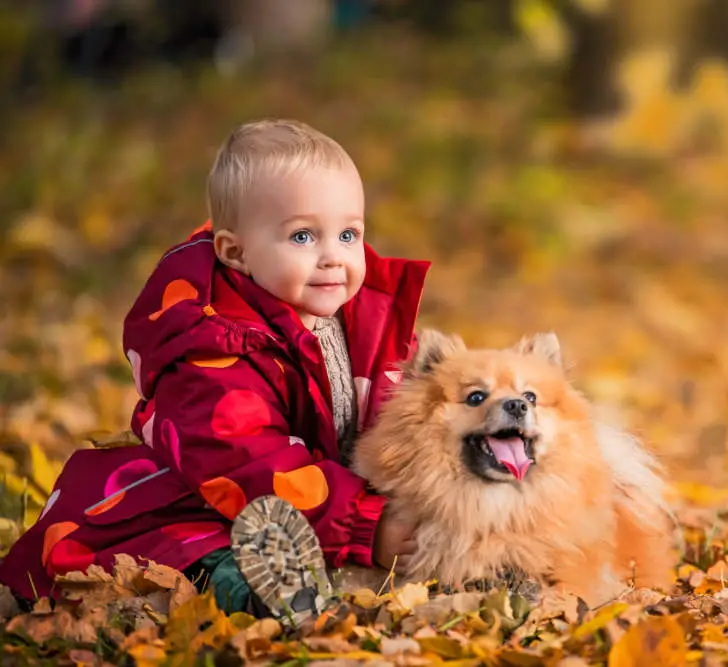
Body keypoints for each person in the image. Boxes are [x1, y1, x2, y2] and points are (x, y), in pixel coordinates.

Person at [0, 118, 428, 625]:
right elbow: (245, 458)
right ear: (235, 252)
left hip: (310, 507)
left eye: (349, 233)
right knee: (203, 558)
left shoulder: (360, 321)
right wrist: (363, 525)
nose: (333, 255)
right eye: (303, 236)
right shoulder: (214, 348)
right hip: (197, 507)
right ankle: (257, 594)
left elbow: (398, 414)